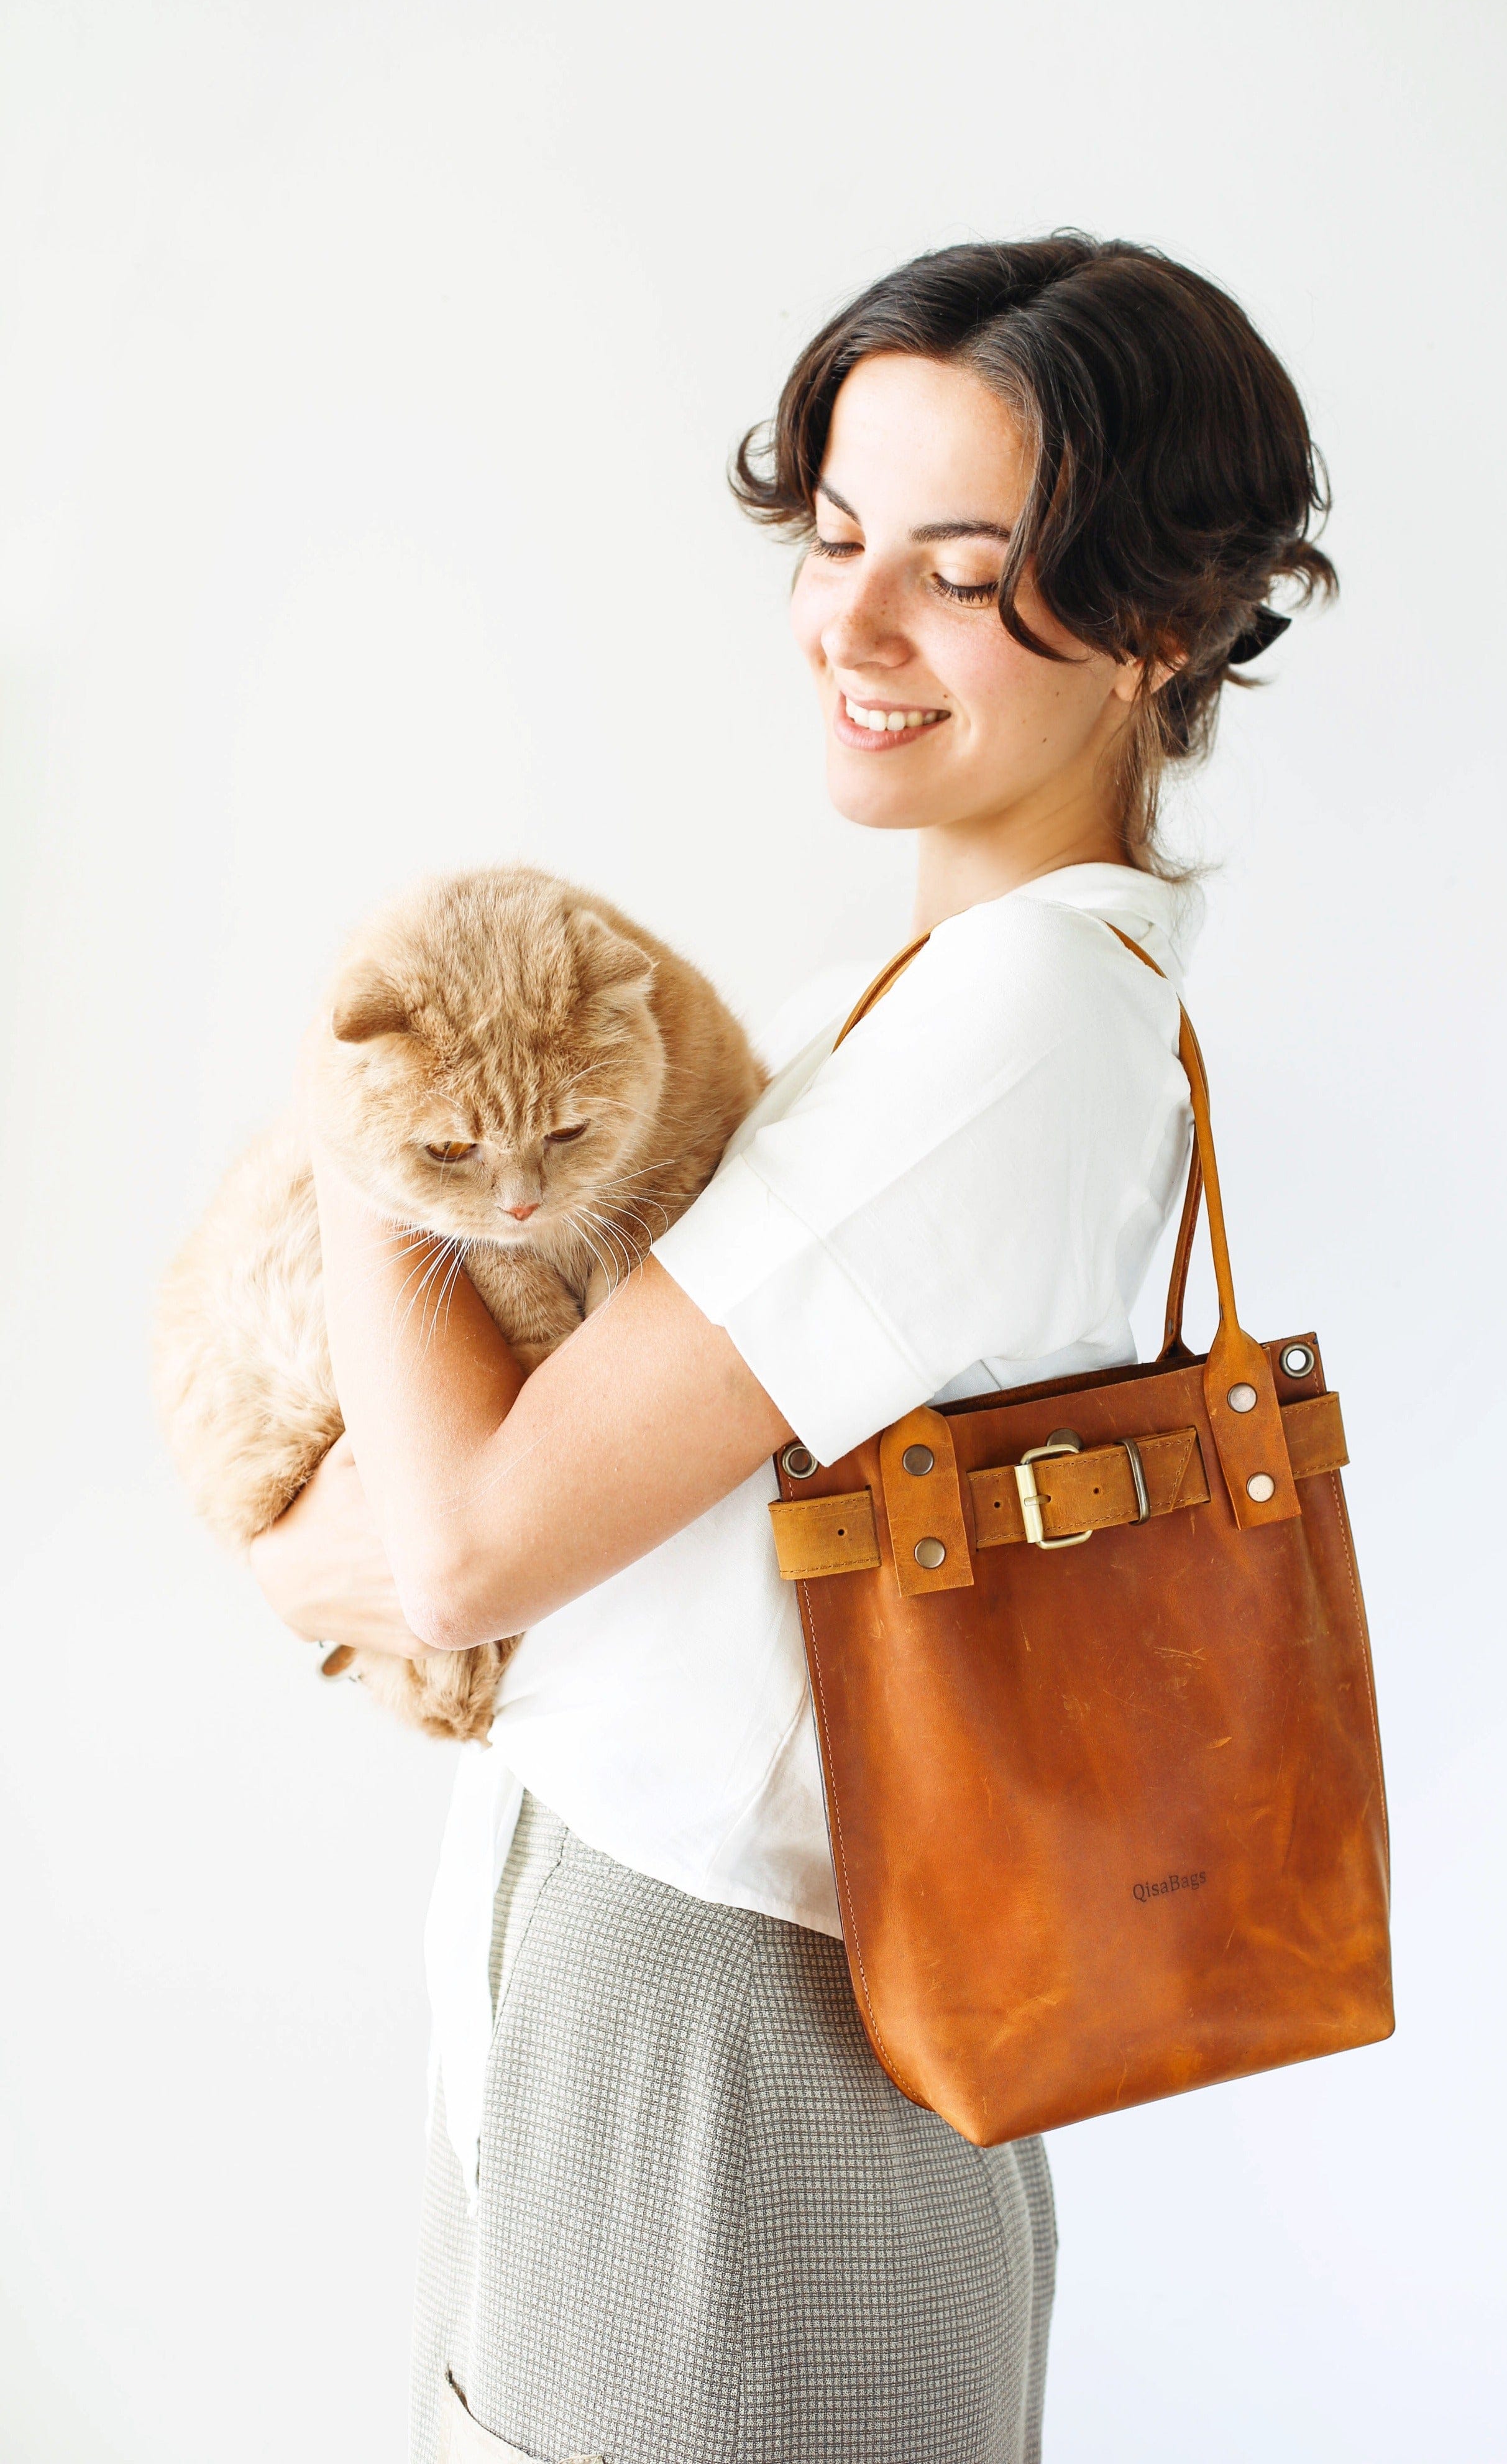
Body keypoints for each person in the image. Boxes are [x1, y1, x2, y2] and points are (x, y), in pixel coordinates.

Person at [253, 232, 1335, 2464]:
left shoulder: (1020, 1026)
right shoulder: (951, 1000)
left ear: (1153, 624)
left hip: (727, 2075)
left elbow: (460, 1558)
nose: (850, 627)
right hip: (647, 2026)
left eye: (958, 570)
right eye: (835, 538)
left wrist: (361, 1108)